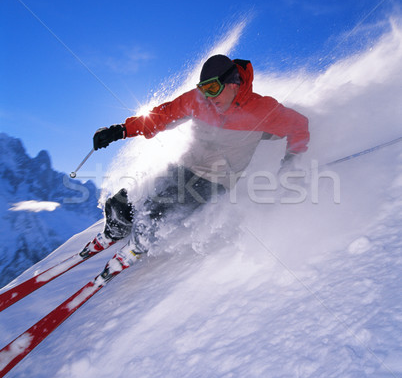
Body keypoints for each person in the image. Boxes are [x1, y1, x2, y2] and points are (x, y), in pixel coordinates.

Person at [80, 55, 310, 282]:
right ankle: (119, 227)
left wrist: (291, 160)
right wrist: (120, 130)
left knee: (157, 209)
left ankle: (139, 244)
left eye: (212, 88)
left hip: (216, 179)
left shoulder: (262, 110)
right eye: (203, 89)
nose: (208, 96)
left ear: (232, 84)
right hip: (185, 167)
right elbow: (162, 115)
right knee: (126, 201)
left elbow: (299, 126)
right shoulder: (199, 100)